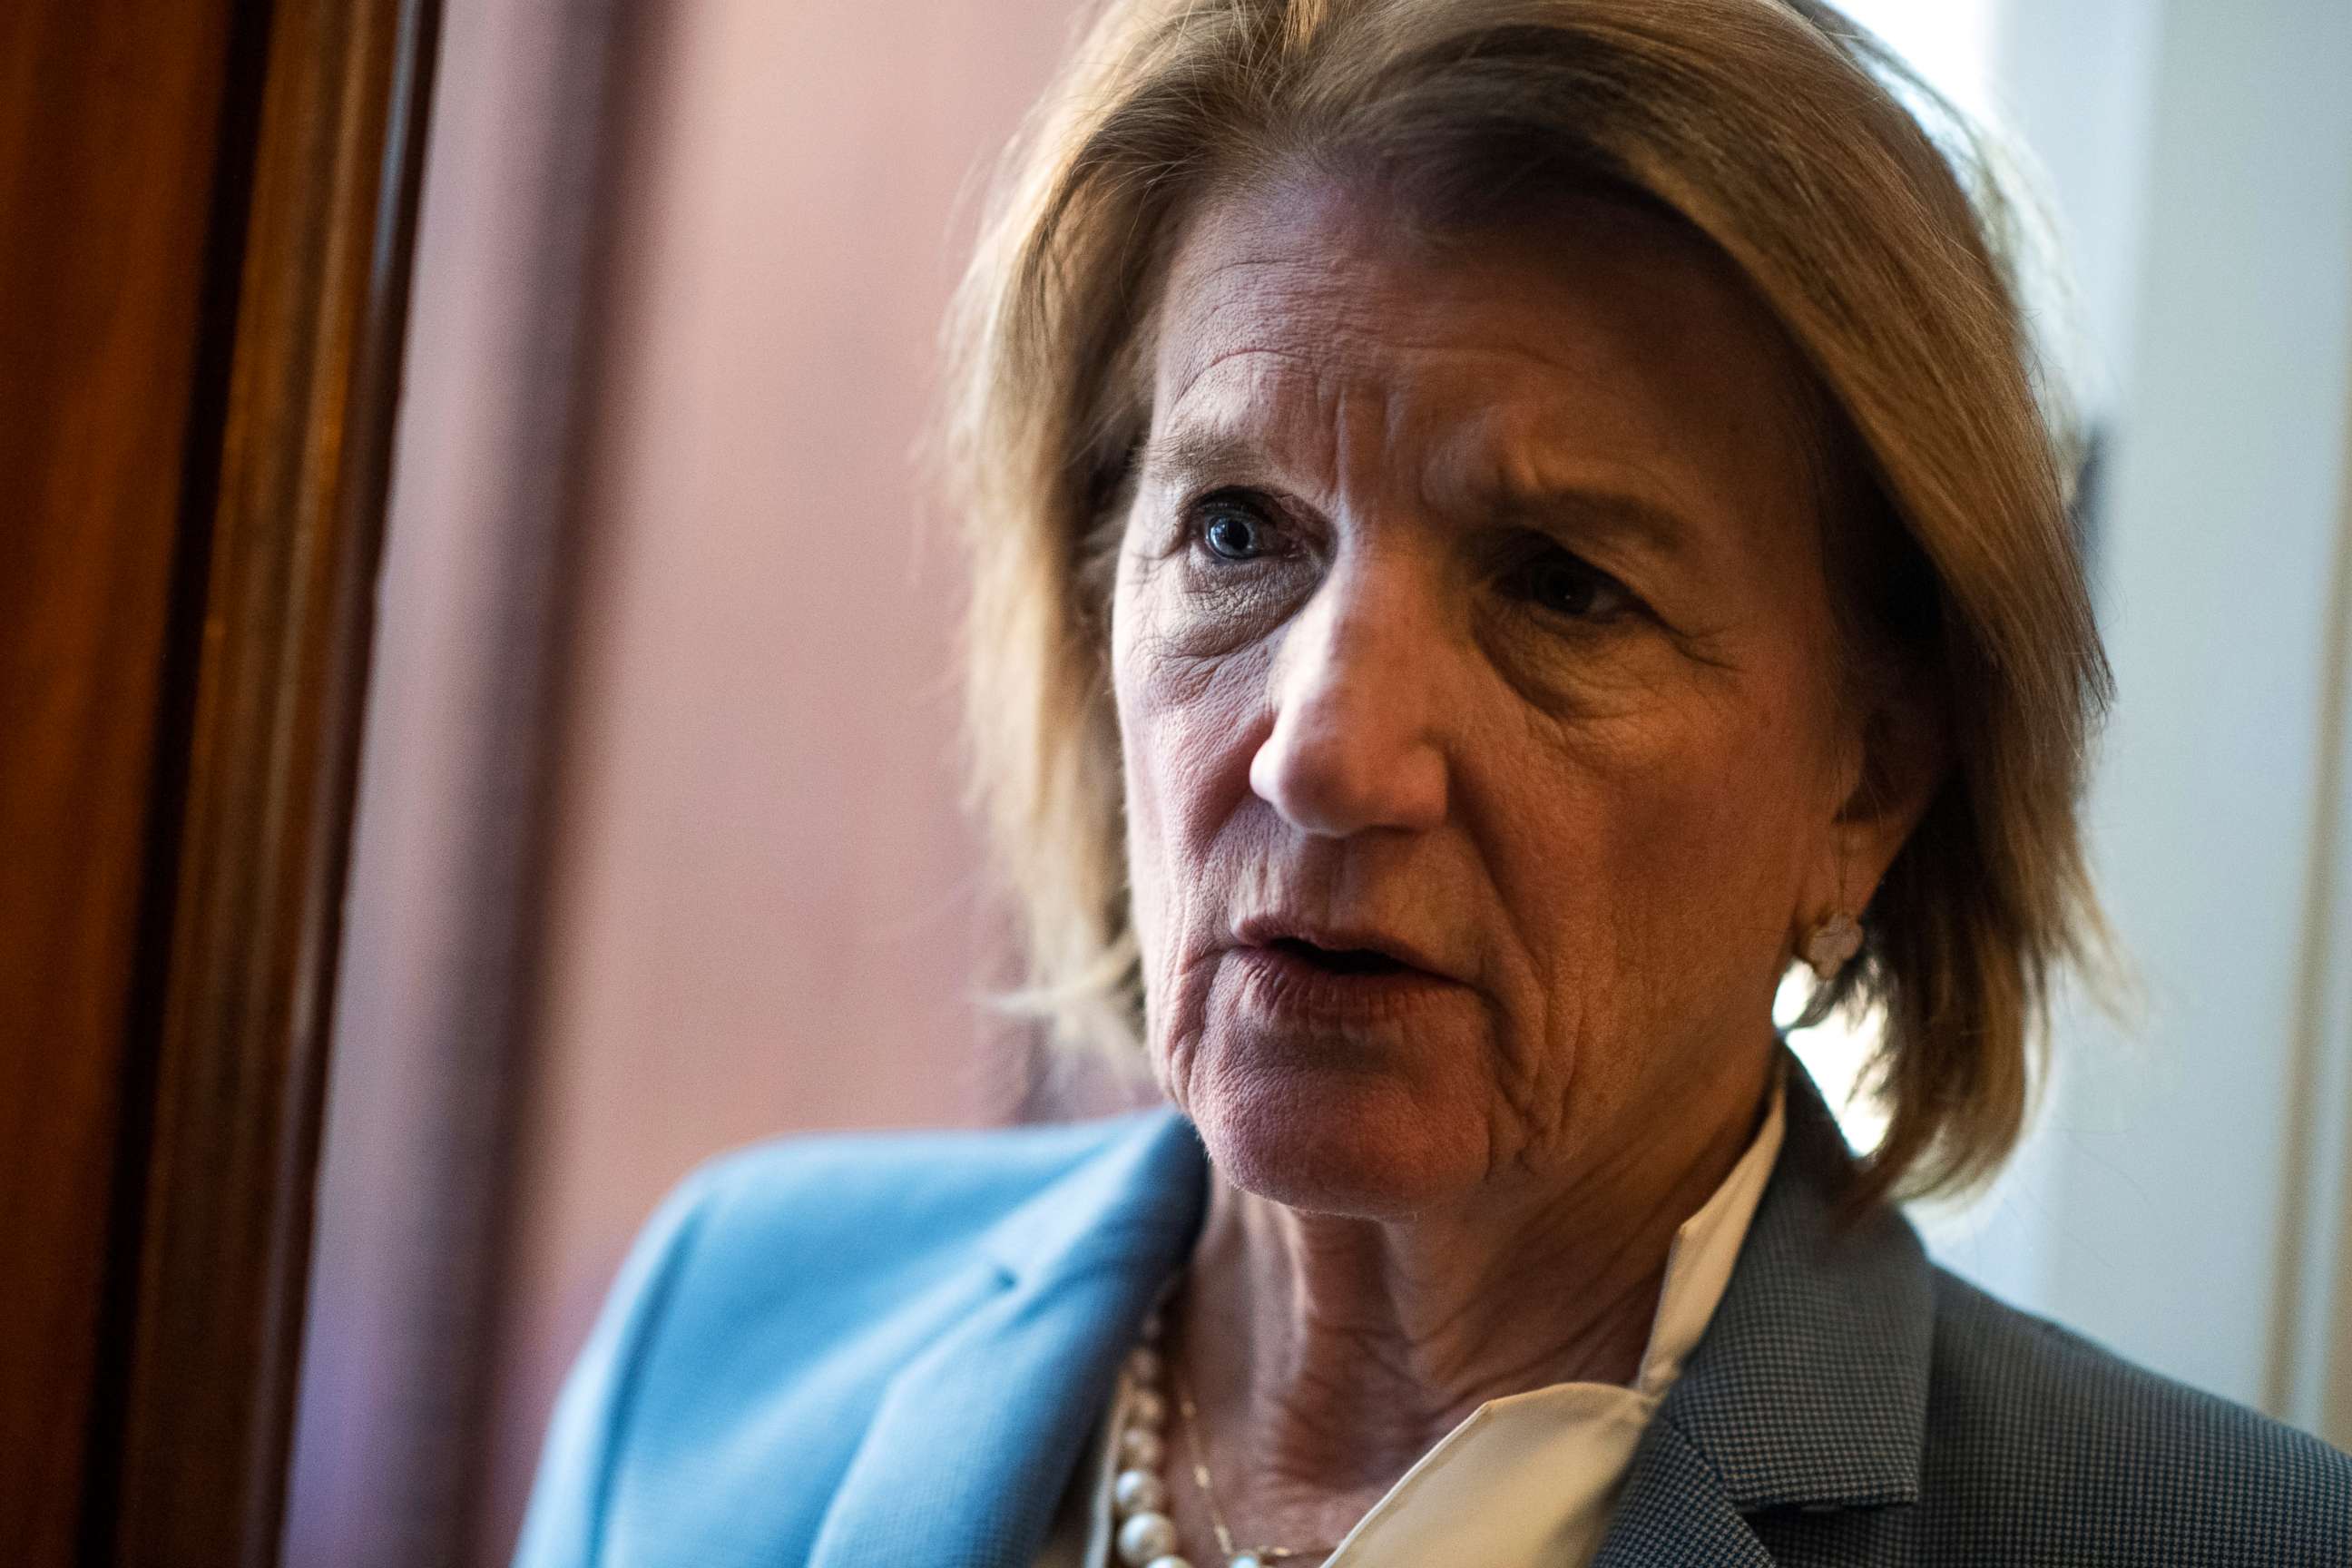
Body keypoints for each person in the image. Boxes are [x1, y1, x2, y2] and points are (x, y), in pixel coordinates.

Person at [511, 1, 2352, 1563]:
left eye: (1562, 586)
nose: (1324, 751)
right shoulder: (731, 1333)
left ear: (1868, 783)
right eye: (1238, 529)